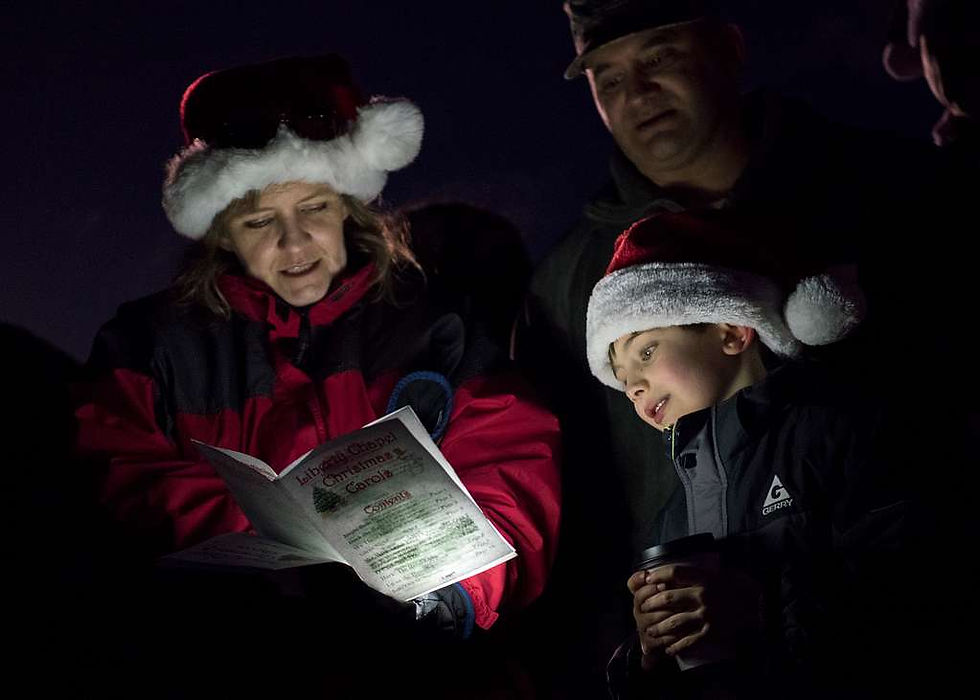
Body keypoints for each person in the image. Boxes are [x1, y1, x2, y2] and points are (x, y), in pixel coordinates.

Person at [72, 54, 560, 697]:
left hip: (418, 668)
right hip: (224, 657)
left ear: (350, 209)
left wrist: (456, 596)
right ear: (221, 235)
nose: (295, 244)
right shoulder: (150, 343)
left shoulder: (439, 324)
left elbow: (510, 461)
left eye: (315, 210)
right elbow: (113, 475)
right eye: (258, 222)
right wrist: (281, 559)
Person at [515, 2, 942, 692]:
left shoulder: (894, 193)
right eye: (608, 77)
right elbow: (579, 527)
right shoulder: (565, 285)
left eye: (658, 57)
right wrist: (633, 658)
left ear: (728, 47)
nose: (638, 92)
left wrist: (777, 607)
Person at [587, 210, 943, 698]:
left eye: (645, 351)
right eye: (622, 377)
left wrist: (762, 608)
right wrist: (648, 657)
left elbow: (918, 592)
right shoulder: (671, 518)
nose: (634, 386)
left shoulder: (838, 430)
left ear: (732, 331)